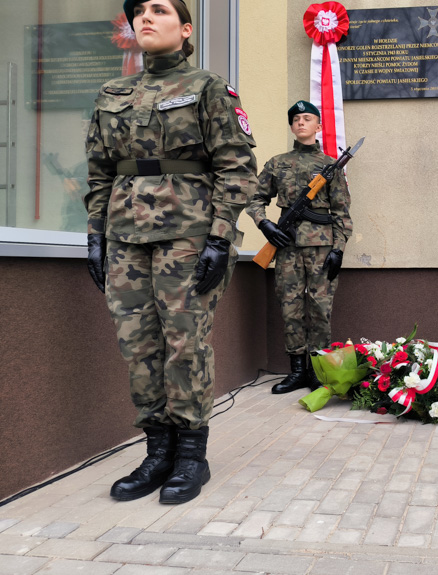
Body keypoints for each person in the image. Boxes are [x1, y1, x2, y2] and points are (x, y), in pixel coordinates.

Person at [84, 0, 257, 504]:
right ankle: (157, 451)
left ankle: (191, 457)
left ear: (185, 30)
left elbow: (237, 166)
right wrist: (95, 235)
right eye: (138, 10)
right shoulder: (112, 93)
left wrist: (221, 236)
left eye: (158, 10)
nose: (144, 16)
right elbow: (98, 170)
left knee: (184, 342)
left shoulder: (208, 88)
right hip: (123, 237)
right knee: (138, 345)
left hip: (189, 233)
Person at [245, 100, 352, 395]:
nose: (301, 122)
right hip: (288, 247)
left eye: (307, 119)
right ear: (291, 126)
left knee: (320, 309)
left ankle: (318, 372)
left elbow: (342, 213)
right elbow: (254, 199)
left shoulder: (330, 166)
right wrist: (265, 225)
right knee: (290, 309)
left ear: (319, 127)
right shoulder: (277, 163)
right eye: (296, 119)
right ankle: (296, 372)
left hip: (321, 249)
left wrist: (338, 249)